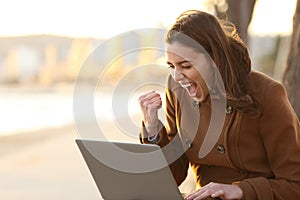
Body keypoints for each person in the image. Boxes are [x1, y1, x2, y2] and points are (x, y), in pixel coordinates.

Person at [138, 10, 300, 200]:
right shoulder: (177, 90)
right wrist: (153, 129)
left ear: (215, 59)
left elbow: (295, 184)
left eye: (186, 66)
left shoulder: (266, 93)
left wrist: (241, 190)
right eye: (171, 66)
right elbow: (173, 176)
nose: (177, 76)